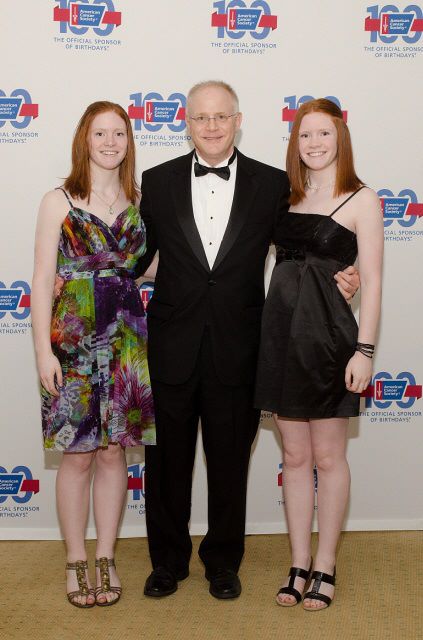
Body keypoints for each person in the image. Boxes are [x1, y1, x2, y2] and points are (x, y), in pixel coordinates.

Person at [136, 82, 358, 600]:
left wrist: (350, 275)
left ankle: (223, 562)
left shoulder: (274, 183)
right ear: (185, 123)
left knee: (231, 459)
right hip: (171, 342)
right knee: (165, 460)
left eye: (221, 117)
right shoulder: (157, 180)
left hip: (241, 343)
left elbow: (311, 240)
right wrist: (83, 275)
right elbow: (137, 255)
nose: (211, 127)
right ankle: (166, 562)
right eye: (200, 118)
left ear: (238, 120)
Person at [254, 98, 383, 610]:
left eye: (323, 134)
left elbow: (370, 283)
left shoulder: (361, 199)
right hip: (279, 338)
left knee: (329, 458)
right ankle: (299, 560)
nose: (314, 143)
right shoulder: (283, 198)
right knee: (293, 456)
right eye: (305, 135)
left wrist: (364, 351)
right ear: (295, 142)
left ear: (339, 139)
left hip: (331, 341)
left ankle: (326, 564)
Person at [32, 101, 155, 608]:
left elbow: (150, 270)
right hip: (74, 343)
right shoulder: (58, 200)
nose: (110, 142)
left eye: (119, 134)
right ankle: (75, 560)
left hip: (127, 341)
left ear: (129, 142)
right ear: (85, 140)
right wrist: (44, 352)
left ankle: (106, 557)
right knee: (77, 458)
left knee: (114, 455)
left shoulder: (141, 200)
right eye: (100, 133)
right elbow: (41, 279)